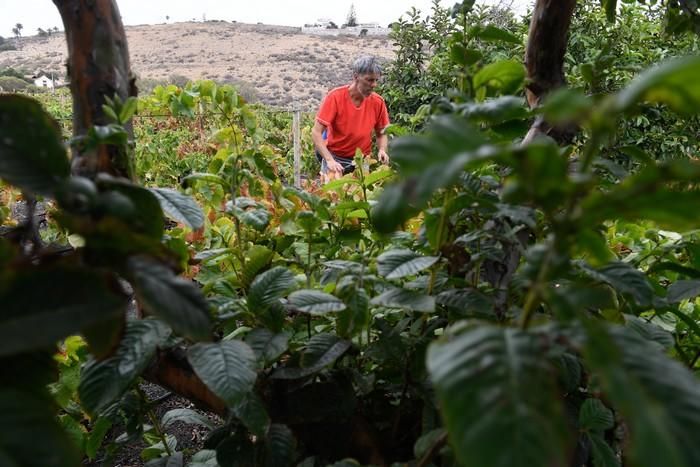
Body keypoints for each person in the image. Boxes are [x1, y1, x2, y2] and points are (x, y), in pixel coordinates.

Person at [312, 56, 390, 182]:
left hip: (362, 161)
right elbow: (316, 132)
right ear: (356, 77)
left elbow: (381, 134)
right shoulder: (335, 97)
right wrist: (329, 160)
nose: (374, 85)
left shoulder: (378, 102)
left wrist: (382, 150)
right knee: (333, 197)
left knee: (361, 197)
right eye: (369, 80)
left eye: (376, 80)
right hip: (335, 158)